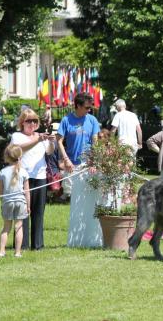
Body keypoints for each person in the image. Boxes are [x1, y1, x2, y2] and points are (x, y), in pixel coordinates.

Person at [56, 92, 102, 248]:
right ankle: (76, 239)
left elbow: (95, 142)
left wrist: (94, 161)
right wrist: (66, 159)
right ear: (78, 106)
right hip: (72, 165)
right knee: (76, 202)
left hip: (88, 165)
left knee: (90, 201)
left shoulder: (92, 120)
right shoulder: (66, 120)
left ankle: (92, 237)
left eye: (90, 107)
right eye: (86, 107)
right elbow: (59, 141)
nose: (89, 110)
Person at [10, 109, 54, 250]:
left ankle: (38, 245)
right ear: (22, 122)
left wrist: (51, 142)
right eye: (29, 121)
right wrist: (38, 140)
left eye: (35, 121)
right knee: (23, 211)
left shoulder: (40, 137)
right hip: (23, 178)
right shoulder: (17, 136)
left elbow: (49, 152)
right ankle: (22, 244)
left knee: (38, 212)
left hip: (40, 177)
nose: (32, 123)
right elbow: (20, 149)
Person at [0, 144, 30, 258]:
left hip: (7, 202)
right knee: (19, 227)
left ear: (7, 157)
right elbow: (27, 191)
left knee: (6, 228)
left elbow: (0, 192)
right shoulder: (24, 172)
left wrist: (3, 202)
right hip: (21, 202)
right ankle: (17, 252)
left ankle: (1, 252)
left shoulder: (2, 172)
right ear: (20, 156)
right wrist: (28, 206)